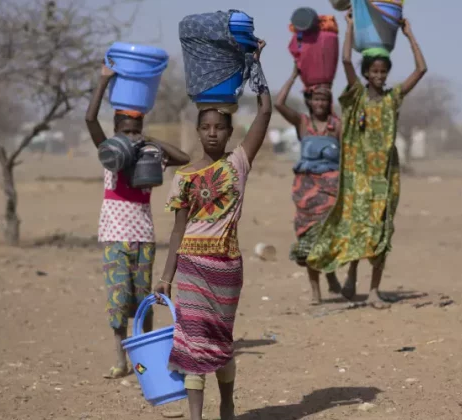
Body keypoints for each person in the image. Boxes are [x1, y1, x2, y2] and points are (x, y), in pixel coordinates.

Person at [155, 39, 270, 420]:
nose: (212, 134)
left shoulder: (238, 162)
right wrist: (166, 277)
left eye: (219, 128)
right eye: (205, 127)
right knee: (191, 344)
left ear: (229, 131)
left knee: (220, 344)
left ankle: (228, 402)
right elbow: (177, 231)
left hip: (226, 270)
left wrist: (255, 67)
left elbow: (265, 114)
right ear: (198, 130)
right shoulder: (185, 177)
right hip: (189, 267)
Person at [307, 13, 427, 309]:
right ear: (367, 72)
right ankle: (351, 273)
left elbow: (422, 69)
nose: (379, 75)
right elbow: (347, 61)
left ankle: (373, 290)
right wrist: (349, 27)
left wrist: (409, 34)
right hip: (357, 175)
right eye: (374, 70)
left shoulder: (393, 98)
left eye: (383, 71)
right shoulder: (357, 96)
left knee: (381, 230)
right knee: (356, 226)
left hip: (385, 176)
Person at [84, 64, 190, 380]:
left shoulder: (149, 156)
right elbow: (90, 119)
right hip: (115, 237)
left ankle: (144, 361)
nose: (131, 138)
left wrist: (150, 141)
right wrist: (104, 81)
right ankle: (121, 361)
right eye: (125, 132)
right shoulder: (109, 155)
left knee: (143, 302)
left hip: (143, 237)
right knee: (118, 301)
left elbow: (183, 158)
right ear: (115, 134)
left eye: (135, 131)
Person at [275, 67, 343, 304]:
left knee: (328, 238)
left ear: (329, 101)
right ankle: (316, 289)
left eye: (324, 98)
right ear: (310, 101)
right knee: (308, 240)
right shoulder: (302, 123)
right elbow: (279, 103)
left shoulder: (338, 126)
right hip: (305, 193)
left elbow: (349, 156)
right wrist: (294, 75)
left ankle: (332, 274)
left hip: (331, 192)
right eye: (316, 98)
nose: (320, 102)